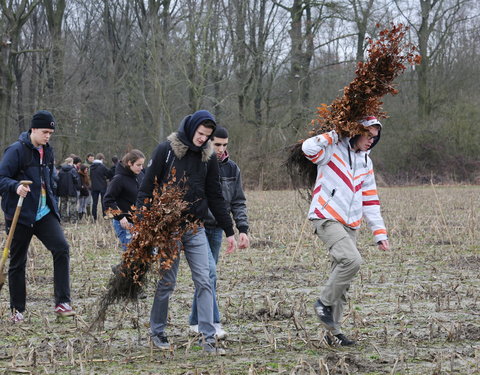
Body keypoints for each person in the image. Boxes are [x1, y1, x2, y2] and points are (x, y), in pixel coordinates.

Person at [137, 110, 237, 354]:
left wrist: (230, 230)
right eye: (200, 134)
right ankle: (157, 332)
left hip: (195, 228)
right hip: (169, 229)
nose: (203, 139)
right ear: (191, 129)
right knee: (167, 282)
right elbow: (146, 187)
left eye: (207, 135)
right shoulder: (166, 150)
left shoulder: (208, 157)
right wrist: (143, 223)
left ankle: (208, 338)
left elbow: (215, 195)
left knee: (205, 280)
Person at [301, 116, 390, 346]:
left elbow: (370, 199)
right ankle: (322, 303)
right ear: (356, 131)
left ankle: (334, 334)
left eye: (375, 137)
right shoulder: (332, 150)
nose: (371, 141)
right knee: (352, 261)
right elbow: (308, 147)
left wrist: (379, 232)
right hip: (326, 216)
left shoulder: (366, 162)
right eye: (368, 135)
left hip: (351, 223)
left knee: (343, 280)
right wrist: (333, 134)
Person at [0, 110, 76, 323]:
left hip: (44, 213)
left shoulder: (48, 152)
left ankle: (62, 302)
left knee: (61, 249)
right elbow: (1, 178)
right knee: (18, 262)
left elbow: (48, 179)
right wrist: (15, 186)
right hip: (21, 214)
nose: (48, 136)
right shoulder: (16, 151)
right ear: (33, 129)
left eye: (51, 133)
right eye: (45, 132)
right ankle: (18, 310)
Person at [189, 126, 250, 338]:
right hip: (197, 228)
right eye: (217, 144)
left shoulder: (233, 169)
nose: (221, 149)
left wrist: (242, 229)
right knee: (210, 274)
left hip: (217, 229)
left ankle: (195, 321)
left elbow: (238, 201)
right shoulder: (198, 164)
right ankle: (213, 323)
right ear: (208, 143)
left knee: (206, 278)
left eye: (225, 145)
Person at [104, 150, 145, 250]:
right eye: (138, 165)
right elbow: (107, 201)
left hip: (139, 221)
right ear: (129, 163)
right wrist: (121, 217)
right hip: (125, 223)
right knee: (131, 255)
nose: (141, 168)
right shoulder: (118, 179)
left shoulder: (140, 176)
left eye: (142, 165)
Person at [89, 153, 113, 220]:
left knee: (94, 203)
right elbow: (109, 174)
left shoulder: (91, 167)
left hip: (94, 186)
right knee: (103, 202)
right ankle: (104, 215)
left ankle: (94, 217)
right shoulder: (102, 166)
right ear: (102, 159)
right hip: (102, 186)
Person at [56, 157, 80, 223]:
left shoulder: (61, 170)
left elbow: (58, 180)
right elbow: (76, 180)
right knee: (72, 204)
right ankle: (73, 219)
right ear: (71, 162)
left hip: (62, 190)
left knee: (63, 204)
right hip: (71, 190)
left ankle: (63, 219)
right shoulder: (73, 170)